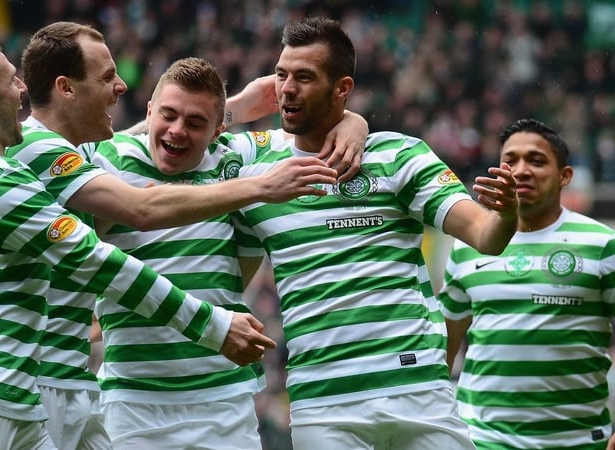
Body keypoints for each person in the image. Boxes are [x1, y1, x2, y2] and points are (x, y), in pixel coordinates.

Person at [5, 22, 364, 450]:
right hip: (132, 400)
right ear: (150, 110)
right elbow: (138, 205)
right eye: (168, 116)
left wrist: (353, 122)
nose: (177, 131)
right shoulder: (100, 158)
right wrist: (240, 125)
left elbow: (310, 134)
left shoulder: (234, 159)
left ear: (217, 133)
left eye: (196, 123)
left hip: (223, 400)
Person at [0, 39, 277, 450]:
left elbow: (127, 140)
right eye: (106, 77)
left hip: (43, 385)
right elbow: (132, 219)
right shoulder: (15, 163)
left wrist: (229, 111)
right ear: (66, 88)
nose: (120, 86)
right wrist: (215, 325)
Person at [225, 17, 520, 449]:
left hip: (418, 389)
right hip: (322, 403)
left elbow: (487, 236)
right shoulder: (253, 160)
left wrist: (507, 213)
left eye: (304, 77)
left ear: (342, 88)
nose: (287, 88)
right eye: (282, 75)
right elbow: (147, 145)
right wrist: (239, 106)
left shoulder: (398, 154)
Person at [438, 118, 615, 450]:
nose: (520, 170)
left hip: (578, 441)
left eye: (536, 160)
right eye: (510, 160)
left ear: (565, 176)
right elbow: (445, 346)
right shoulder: (467, 247)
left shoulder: (602, 243)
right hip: (481, 440)